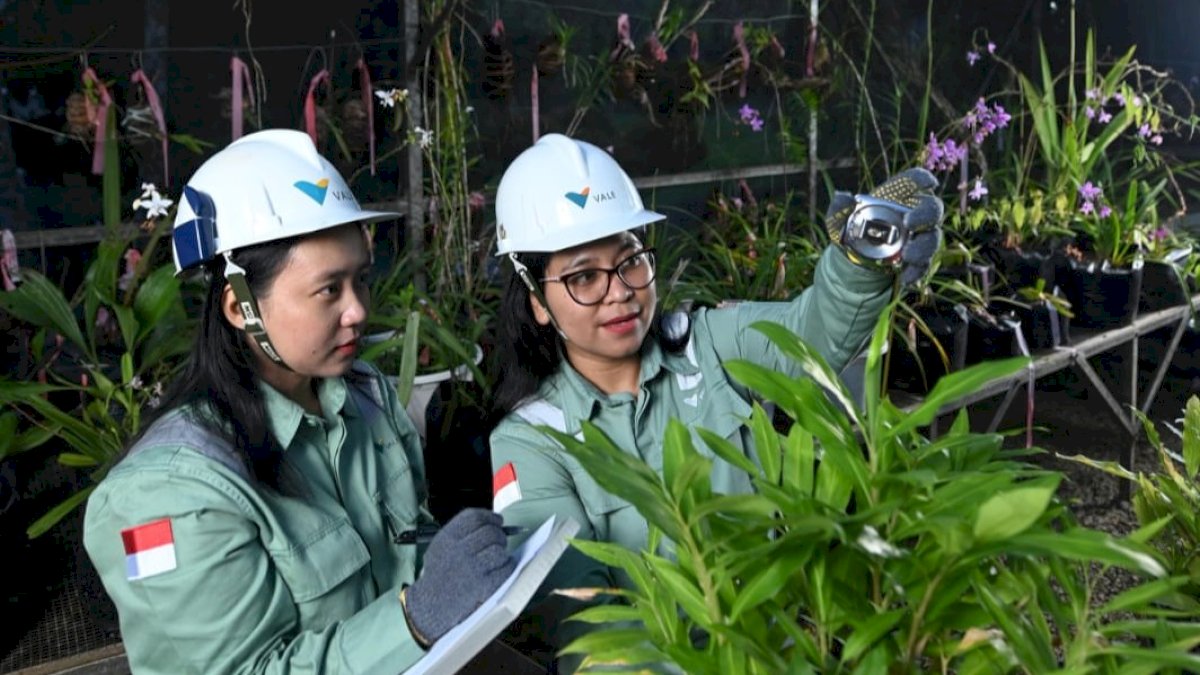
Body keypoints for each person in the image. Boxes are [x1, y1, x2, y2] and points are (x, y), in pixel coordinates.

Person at [486, 133, 944, 669]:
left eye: (631, 259)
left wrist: (860, 261)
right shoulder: (532, 440)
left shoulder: (709, 346)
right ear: (538, 300)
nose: (620, 291)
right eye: (584, 275)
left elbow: (811, 333)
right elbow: (587, 623)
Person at [83, 129, 515, 674]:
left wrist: (456, 561)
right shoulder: (169, 494)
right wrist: (414, 621)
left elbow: (411, 544)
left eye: (360, 280)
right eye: (329, 289)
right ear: (240, 308)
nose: (358, 310)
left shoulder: (368, 399)